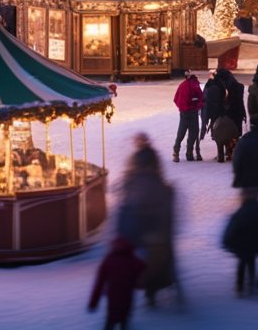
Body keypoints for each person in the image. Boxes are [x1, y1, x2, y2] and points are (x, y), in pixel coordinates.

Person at [115, 135, 175, 307]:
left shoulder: (138, 178)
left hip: (144, 224)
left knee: (148, 258)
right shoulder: (152, 178)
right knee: (155, 258)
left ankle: (145, 287)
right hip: (153, 225)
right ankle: (152, 287)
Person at [88, 237, 147, 330]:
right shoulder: (133, 260)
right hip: (127, 300)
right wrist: (138, 284)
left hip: (113, 300)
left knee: (110, 322)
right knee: (124, 322)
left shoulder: (108, 261)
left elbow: (99, 283)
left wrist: (93, 303)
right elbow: (146, 271)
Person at [222, 190, 258, 296]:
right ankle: (251, 285)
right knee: (251, 263)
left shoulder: (242, 211)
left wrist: (229, 239)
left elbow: (235, 226)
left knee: (242, 263)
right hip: (254, 241)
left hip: (243, 243)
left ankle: (240, 287)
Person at [233, 114, 258, 205]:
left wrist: (238, 173)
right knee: (253, 200)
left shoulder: (244, 139)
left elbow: (236, 158)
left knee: (247, 202)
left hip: (245, 178)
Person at [171, 70, 204, 162]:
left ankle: (176, 152)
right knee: (193, 132)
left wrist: (182, 107)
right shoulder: (195, 85)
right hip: (192, 112)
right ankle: (189, 153)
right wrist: (197, 106)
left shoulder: (182, 85)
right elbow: (201, 98)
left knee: (181, 132)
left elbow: (176, 99)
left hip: (184, 112)